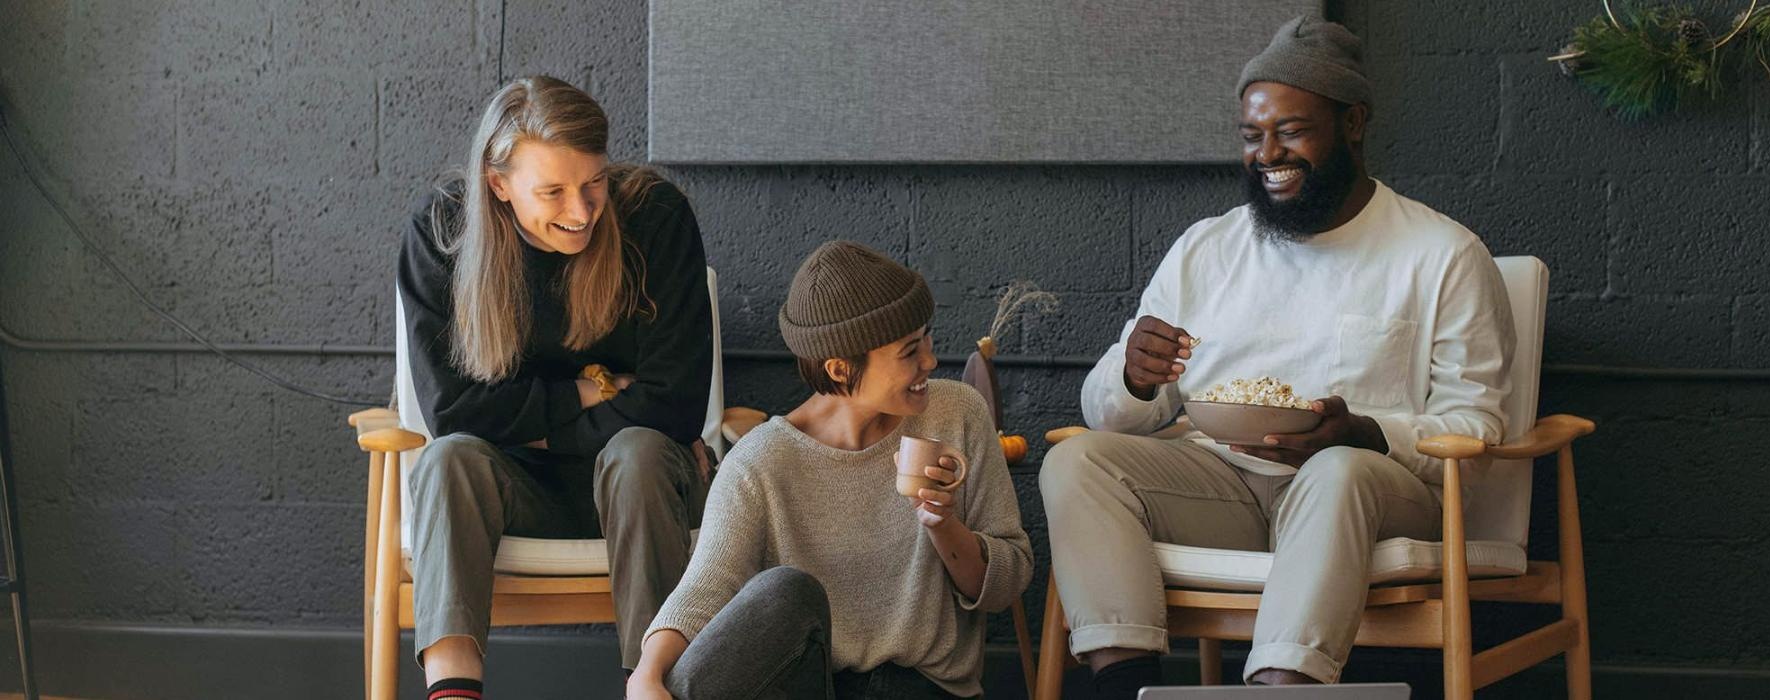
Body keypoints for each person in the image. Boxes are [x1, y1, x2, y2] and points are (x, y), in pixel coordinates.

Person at [1039, 16, 1516, 698]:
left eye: (1291, 131)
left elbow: (1475, 426)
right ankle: (1125, 687)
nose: (1268, 154)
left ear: (1352, 123)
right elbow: (1108, 413)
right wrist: (1134, 379)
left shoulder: (1442, 256)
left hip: (1373, 490)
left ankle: (1280, 688)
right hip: (1223, 482)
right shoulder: (1207, 248)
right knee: (1078, 459)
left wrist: (1367, 434)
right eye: (1252, 136)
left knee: (1337, 470)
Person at [398, 75, 714, 699]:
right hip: (516, 491)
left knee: (640, 452)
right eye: (552, 191)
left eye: (594, 183)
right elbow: (453, 410)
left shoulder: (655, 217)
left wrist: (529, 427)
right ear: (500, 186)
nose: (581, 211)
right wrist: (592, 391)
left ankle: (648, 687)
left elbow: (675, 404)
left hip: (645, 490)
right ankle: (453, 695)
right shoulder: (443, 232)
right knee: (449, 459)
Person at [627, 241, 1033, 699]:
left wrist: (944, 525)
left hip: (927, 688)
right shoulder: (759, 462)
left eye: (927, 338)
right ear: (840, 368)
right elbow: (704, 590)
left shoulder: (956, 413)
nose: (930, 361)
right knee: (783, 592)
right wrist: (646, 675)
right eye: (909, 351)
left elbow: (1007, 584)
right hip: (813, 687)